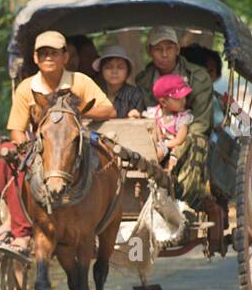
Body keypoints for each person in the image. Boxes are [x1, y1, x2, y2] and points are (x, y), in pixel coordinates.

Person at [0, 30, 114, 258]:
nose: (48, 58)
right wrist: (28, 151)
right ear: (34, 58)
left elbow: (109, 109)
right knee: (6, 154)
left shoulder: (79, 81)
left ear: (65, 57)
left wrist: (76, 112)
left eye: (54, 53)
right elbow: (16, 130)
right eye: (43, 54)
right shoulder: (27, 88)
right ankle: (20, 228)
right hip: (40, 147)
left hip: (73, 147)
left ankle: (88, 220)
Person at [135, 26, 215, 208]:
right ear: (149, 52)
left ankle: (185, 203)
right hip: (157, 134)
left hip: (188, 134)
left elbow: (200, 124)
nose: (164, 54)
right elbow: (145, 115)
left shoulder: (199, 77)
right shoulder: (143, 80)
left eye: (169, 48)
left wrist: (177, 147)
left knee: (196, 141)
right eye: (158, 49)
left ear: (177, 49)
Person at [147, 74, 193, 172]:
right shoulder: (155, 113)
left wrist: (166, 144)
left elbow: (180, 140)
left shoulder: (182, 117)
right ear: (163, 102)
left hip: (174, 146)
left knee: (160, 153)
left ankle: (166, 170)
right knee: (150, 150)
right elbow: (152, 126)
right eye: (178, 99)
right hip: (159, 143)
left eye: (184, 97)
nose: (183, 101)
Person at [92, 45, 146, 118]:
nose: (114, 71)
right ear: (101, 71)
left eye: (120, 67)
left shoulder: (135, 94)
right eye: (109, 67)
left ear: (127, 71)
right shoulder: (94, 93)